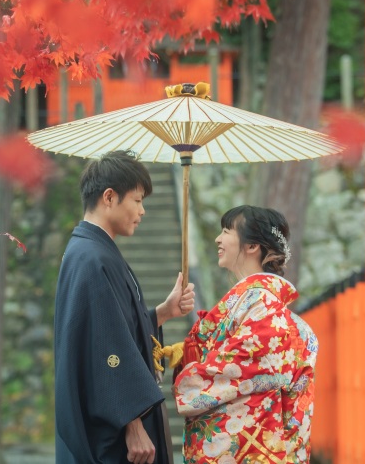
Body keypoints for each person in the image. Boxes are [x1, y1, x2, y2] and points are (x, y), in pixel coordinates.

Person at [54, 150, 196, 464]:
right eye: (137, 200)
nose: (142, 210)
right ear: (109, 197)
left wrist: (163, 313)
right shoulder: (91, 257)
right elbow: (104, 347)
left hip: (117, 421)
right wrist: (132, 423)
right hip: (115, 431)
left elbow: (116, 327)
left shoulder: (94, 250)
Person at [172, 205, 318, 463]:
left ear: (252, 246)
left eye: (226, 231)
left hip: (250, 447)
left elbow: (240, 366)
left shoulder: (261, 304)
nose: (218, 239)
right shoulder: (260, 303)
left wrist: (190, 373)